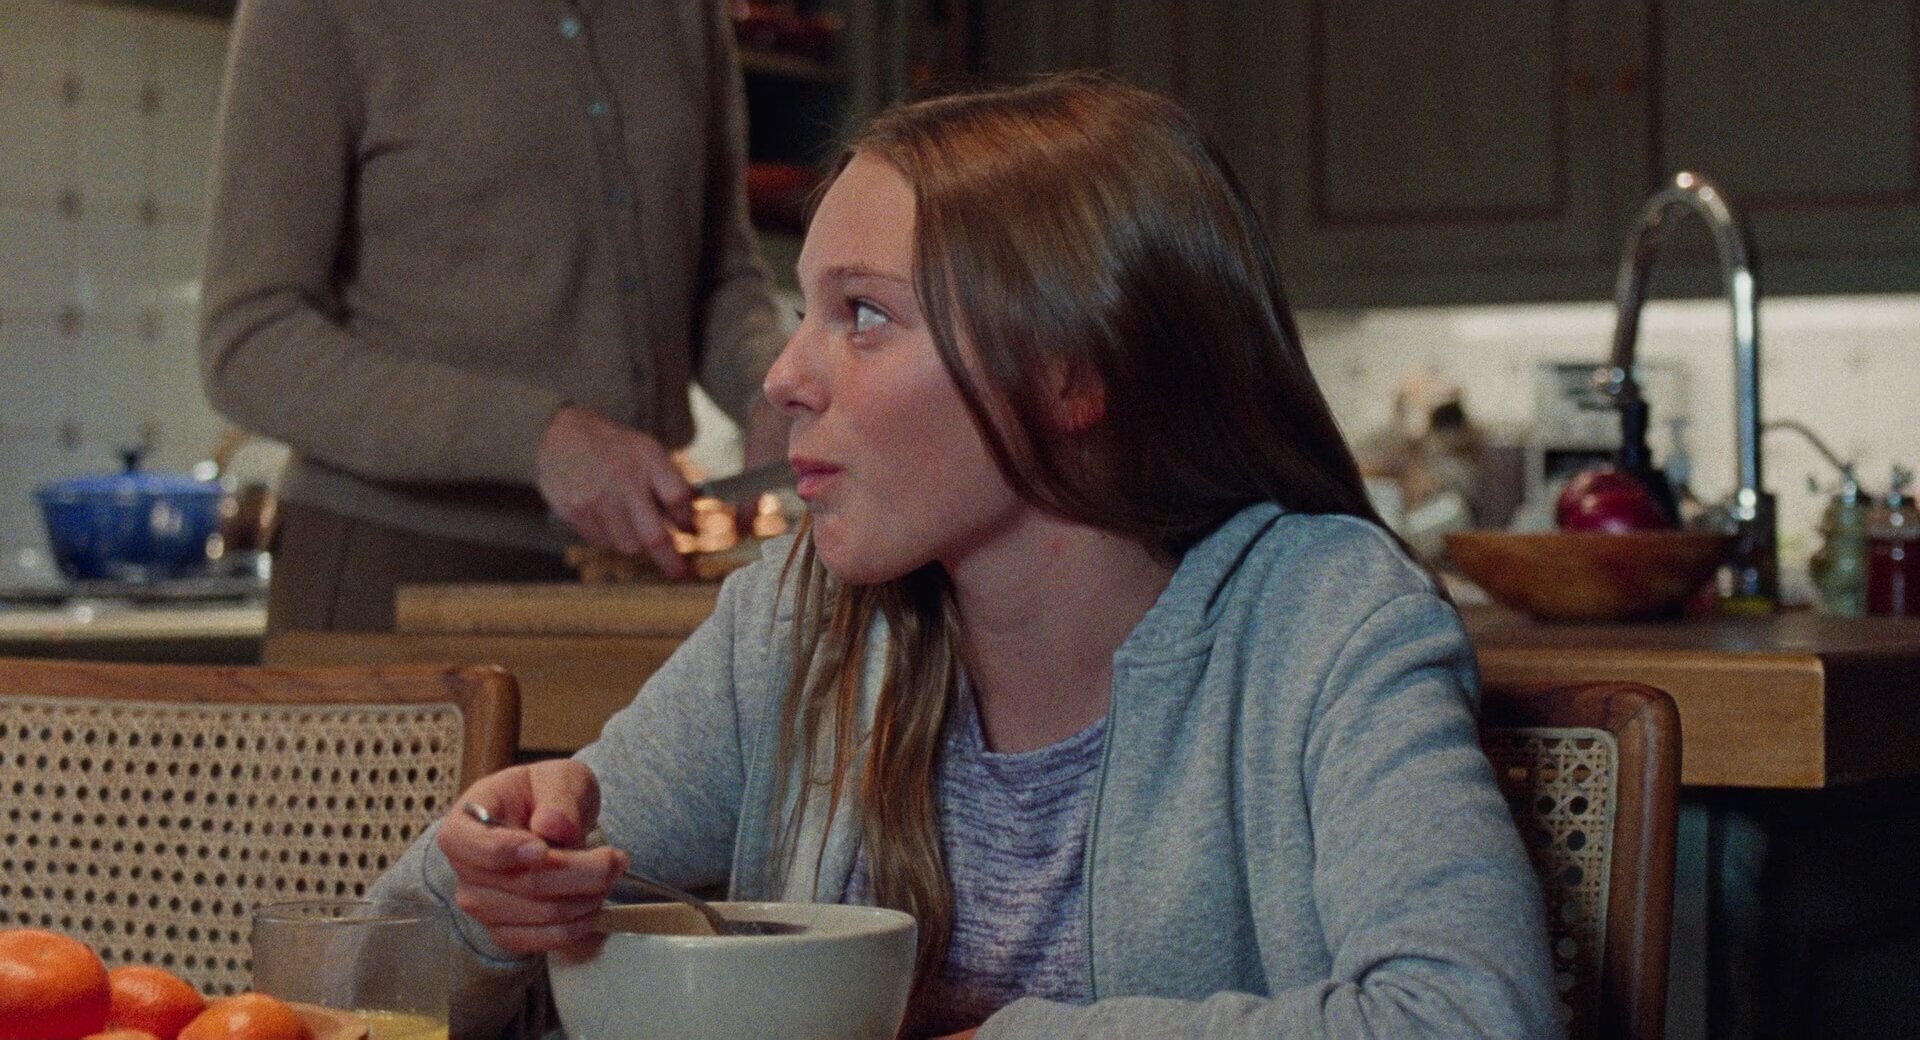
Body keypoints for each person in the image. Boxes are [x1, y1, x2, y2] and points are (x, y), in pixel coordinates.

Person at [368, 73, 1560, 1038]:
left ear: (1071, 372)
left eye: (863, 314)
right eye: (803, 310)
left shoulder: (1325, 619)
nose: (784, 377)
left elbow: (1469, 1015)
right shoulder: (797, 625)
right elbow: (379, 978)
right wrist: (493, 895)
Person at [198, 0, 789, 632]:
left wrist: (772, 389)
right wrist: (540, 437)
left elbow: (719, 275)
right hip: (388, 578)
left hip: (633, 574)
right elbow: (249, 339)